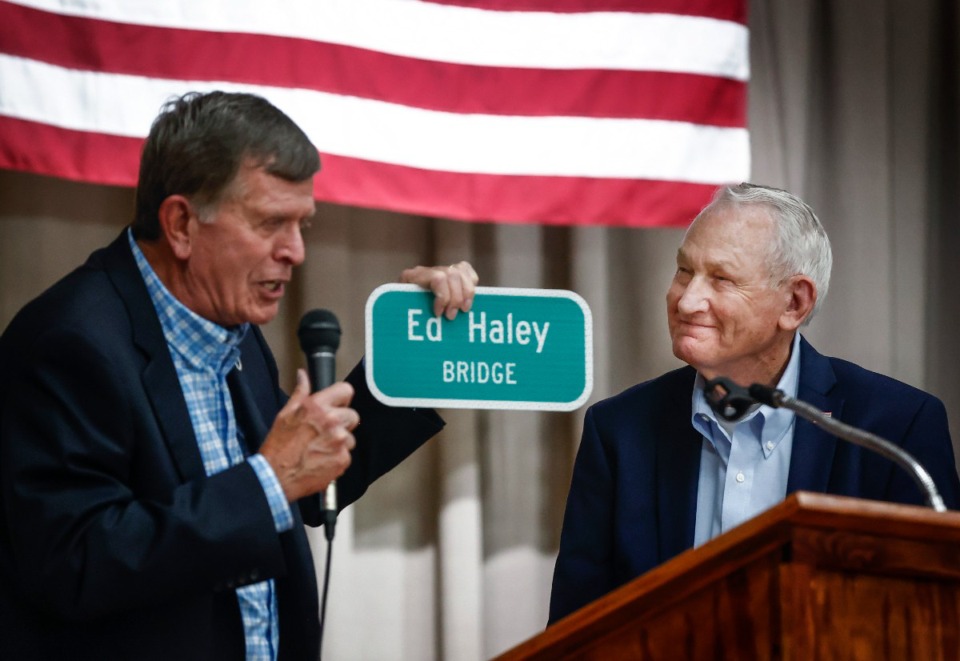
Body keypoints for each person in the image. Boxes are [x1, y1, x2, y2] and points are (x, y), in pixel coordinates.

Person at [0, 91, 478, 660]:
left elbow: (307, 483)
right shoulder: (68, 343)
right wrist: (266, 481)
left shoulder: (231, 328)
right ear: (180, 223)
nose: (296, 252)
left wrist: (413, 346)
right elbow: (76, 564)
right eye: (271, 222)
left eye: (302, 224)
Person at [548, 182, 960, 623]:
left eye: (721, 279)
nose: (686, 300)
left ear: (795, 302)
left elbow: (932, 619)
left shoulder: (894, 429)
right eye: (684, 271)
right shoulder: (619, 431)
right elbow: (577, 629)